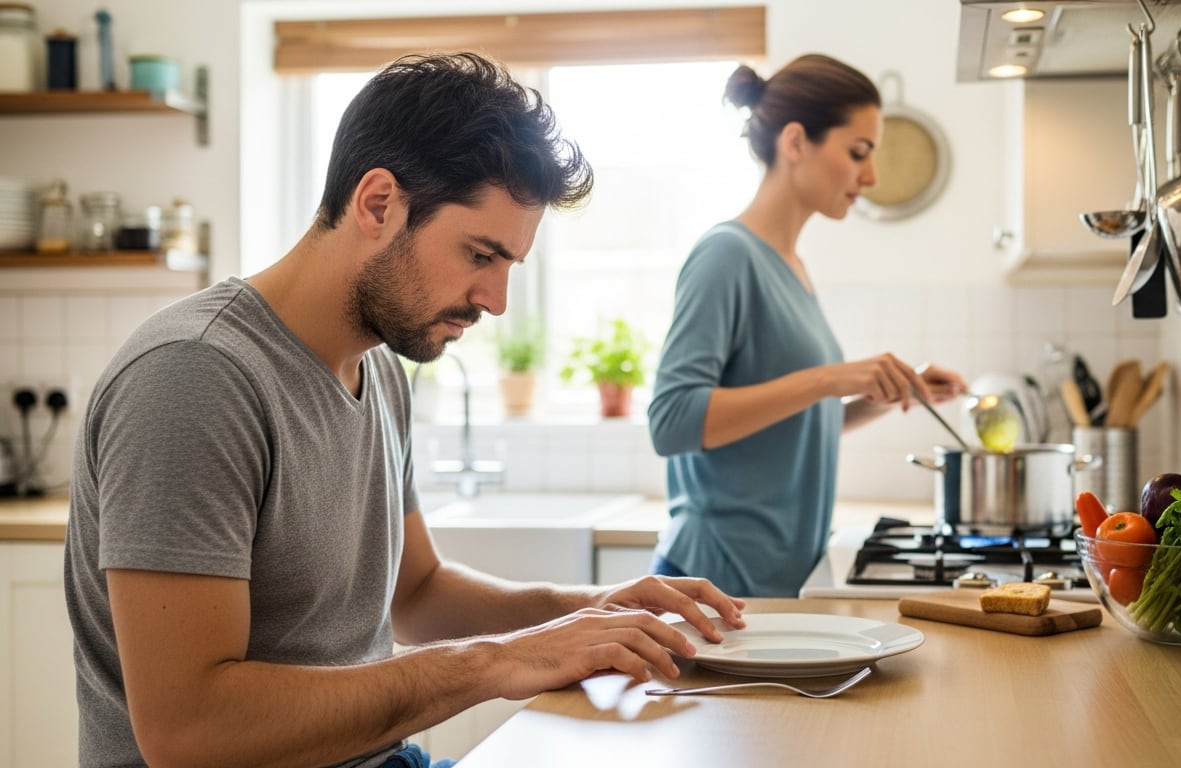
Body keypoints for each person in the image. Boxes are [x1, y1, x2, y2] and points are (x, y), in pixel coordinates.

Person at [63, 52, 746, 768]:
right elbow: (190, 732)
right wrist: (495, 662)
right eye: (481, 254)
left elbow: (417, 594)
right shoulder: (195, 376)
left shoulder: (380, 366)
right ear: (378, 204)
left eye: (510, 265)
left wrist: (593, 611)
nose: (497, 300)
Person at [646, 54, 967, 598]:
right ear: (795, 142)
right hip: (713, 580)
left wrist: (884, 393)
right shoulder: (727, 254)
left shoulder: (791, 266)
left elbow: (788, 429)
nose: (871, 176)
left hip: (771, 582)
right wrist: (830, 378)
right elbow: (672, 423)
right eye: (858, 152)